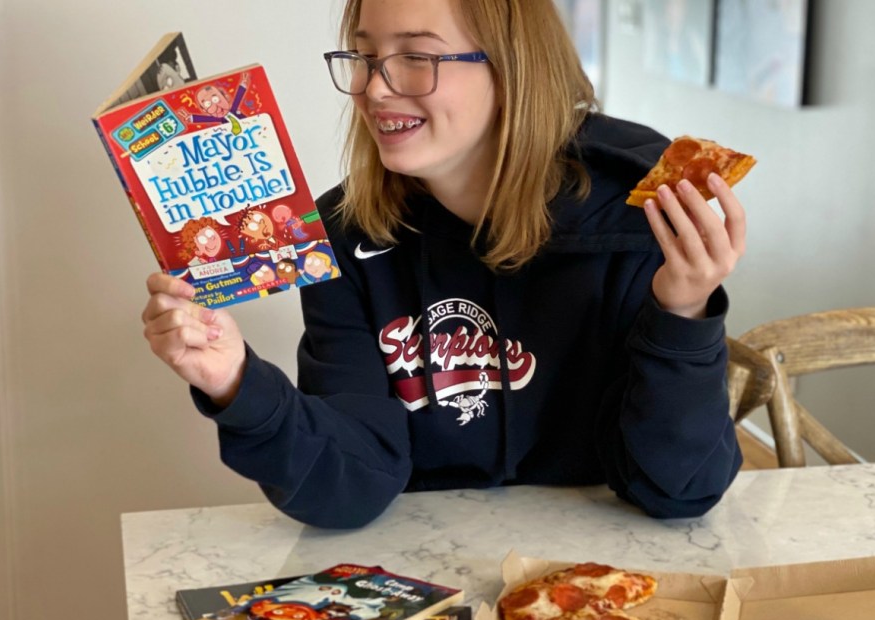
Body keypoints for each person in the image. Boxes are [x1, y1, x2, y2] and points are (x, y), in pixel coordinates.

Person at [141, 0, 746, 529]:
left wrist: (683, 314)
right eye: (365, 56)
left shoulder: (639, 221)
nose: (375, 89)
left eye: (416, 57)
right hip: (430, 599)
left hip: (599, 594)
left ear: (512, 70)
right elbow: (351, 488)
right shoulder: (349, 239)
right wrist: (237, 384)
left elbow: (678, 491)